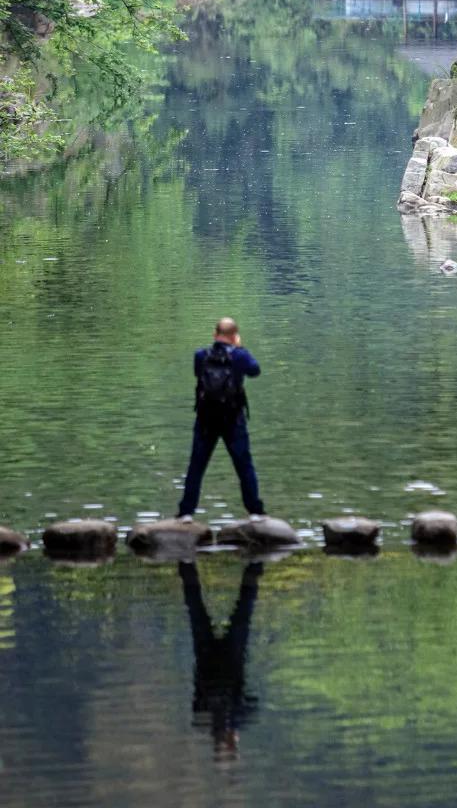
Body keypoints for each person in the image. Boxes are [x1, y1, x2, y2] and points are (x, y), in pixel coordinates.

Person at [177, 317, 265, 521]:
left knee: (196, 467)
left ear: (215, 334)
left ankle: (186, 513)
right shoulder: (240, 356)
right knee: (244, 466)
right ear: (234, 336)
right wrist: (239, 348)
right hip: (233, 420)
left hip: (205, 419)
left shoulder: (200, 355)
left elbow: (197, 374)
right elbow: (255, 371)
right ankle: (255, 511)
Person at [179, 558, 262, 759]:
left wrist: (232, 727)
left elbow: (253, 704)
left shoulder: (226, 718)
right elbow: (252, 704)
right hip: (209, 657)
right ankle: (185, 562)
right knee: (196, 609)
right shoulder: (203, 719)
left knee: (243, 610)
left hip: (228, 659)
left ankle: (255, 562)